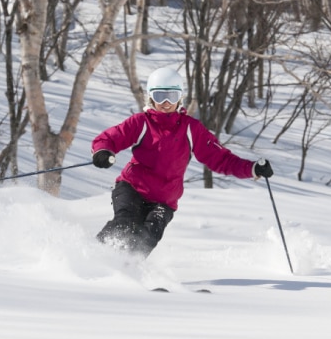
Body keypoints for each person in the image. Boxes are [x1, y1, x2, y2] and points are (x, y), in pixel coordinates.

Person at [90, 66, 273, 257]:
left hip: (164, 201)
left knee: (146, 238)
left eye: (172, 96)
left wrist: (252, 168)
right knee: (124, 224)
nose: (167, 102)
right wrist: (102, 151)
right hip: (132, 188)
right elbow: (110, 138)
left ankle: (126, 271)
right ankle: (92, 257)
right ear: (151, 97)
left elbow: (220, 158)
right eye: (160, 96)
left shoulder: (191, 129)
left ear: (180, 97)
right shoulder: (141, 122)